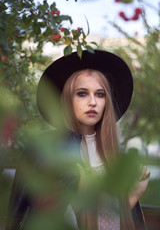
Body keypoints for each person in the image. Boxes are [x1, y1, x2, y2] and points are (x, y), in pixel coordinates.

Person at [6, 50, 150, 230]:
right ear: (67, 99)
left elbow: (109, 221)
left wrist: (133, 195)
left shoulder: (116, 155)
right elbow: (18, 214)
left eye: (100, 94)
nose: (93, 102)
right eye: (82, 93)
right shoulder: (43, 148)